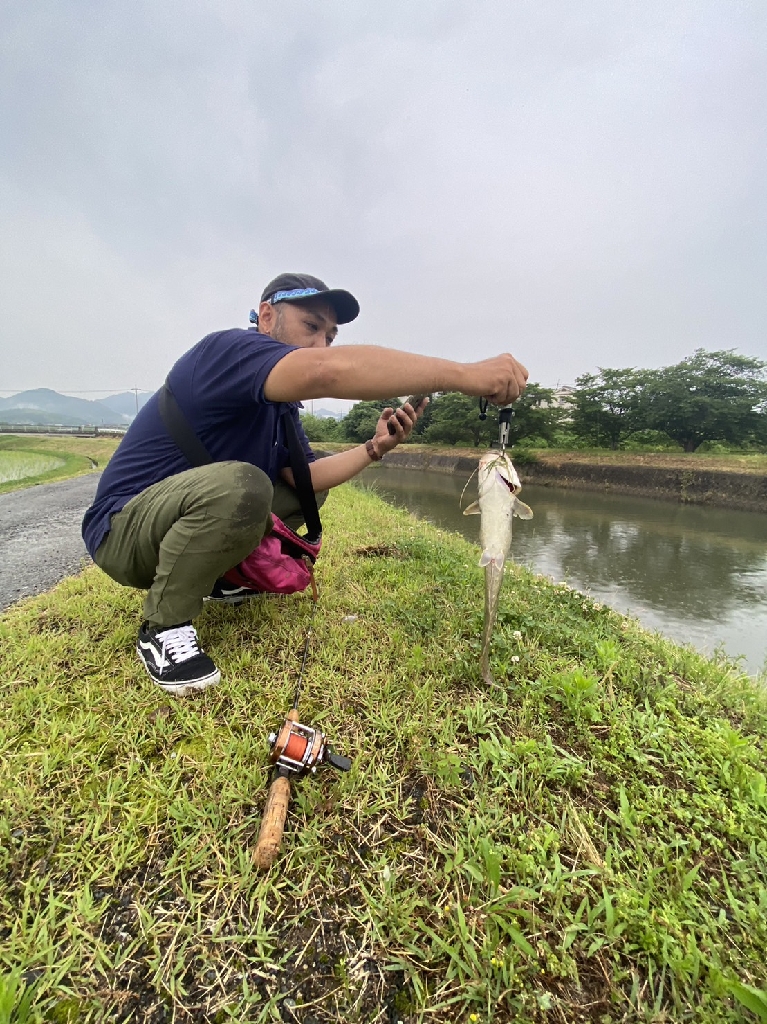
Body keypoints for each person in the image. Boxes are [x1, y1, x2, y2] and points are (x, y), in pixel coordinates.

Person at [82, 273, 528, 696]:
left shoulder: (281, 409)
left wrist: (376, 447)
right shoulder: (228, 351)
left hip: (179, 521)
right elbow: (325, 371)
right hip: (122, 532)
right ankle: (163, 628)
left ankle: (216, 577)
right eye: (311, 326)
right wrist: (468, 375)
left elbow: (305, 478)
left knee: (303, 494)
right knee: (245, 485)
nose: (321, 344)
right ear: (267, 316)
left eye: (330, 338)